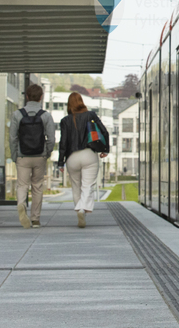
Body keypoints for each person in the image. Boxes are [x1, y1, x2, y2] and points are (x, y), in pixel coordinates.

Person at [57, 92, 109, 228]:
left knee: (76, 187)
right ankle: (82, 209)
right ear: (82, 102)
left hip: (72, 157)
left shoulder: (65, 120)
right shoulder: (90, 115)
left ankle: (80, 211)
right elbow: (104, 132)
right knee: (87, 186)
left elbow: (63, 143)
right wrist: (105, 150)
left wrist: (60, 162)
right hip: (89, 154)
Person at [9, 83, 55, 229]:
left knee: (22, 185)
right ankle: (35, 219)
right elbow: (51, 138)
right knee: (37, 186)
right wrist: (46, 153)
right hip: (39, 156)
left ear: (27, 97)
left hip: (23, 156)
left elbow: (12, 138)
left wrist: (15, 155)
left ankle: (21, 204)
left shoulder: (17, 114)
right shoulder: (46, 116)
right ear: (41, 97)